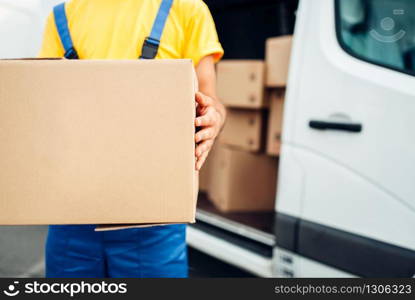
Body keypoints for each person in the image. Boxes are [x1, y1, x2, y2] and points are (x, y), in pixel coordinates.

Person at [39, 0, 226, 278]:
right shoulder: (62, 15)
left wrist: (213, 117)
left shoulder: (187, 9)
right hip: (72, 217)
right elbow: (44, 100)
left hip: (154, 218)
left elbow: (212, 101)